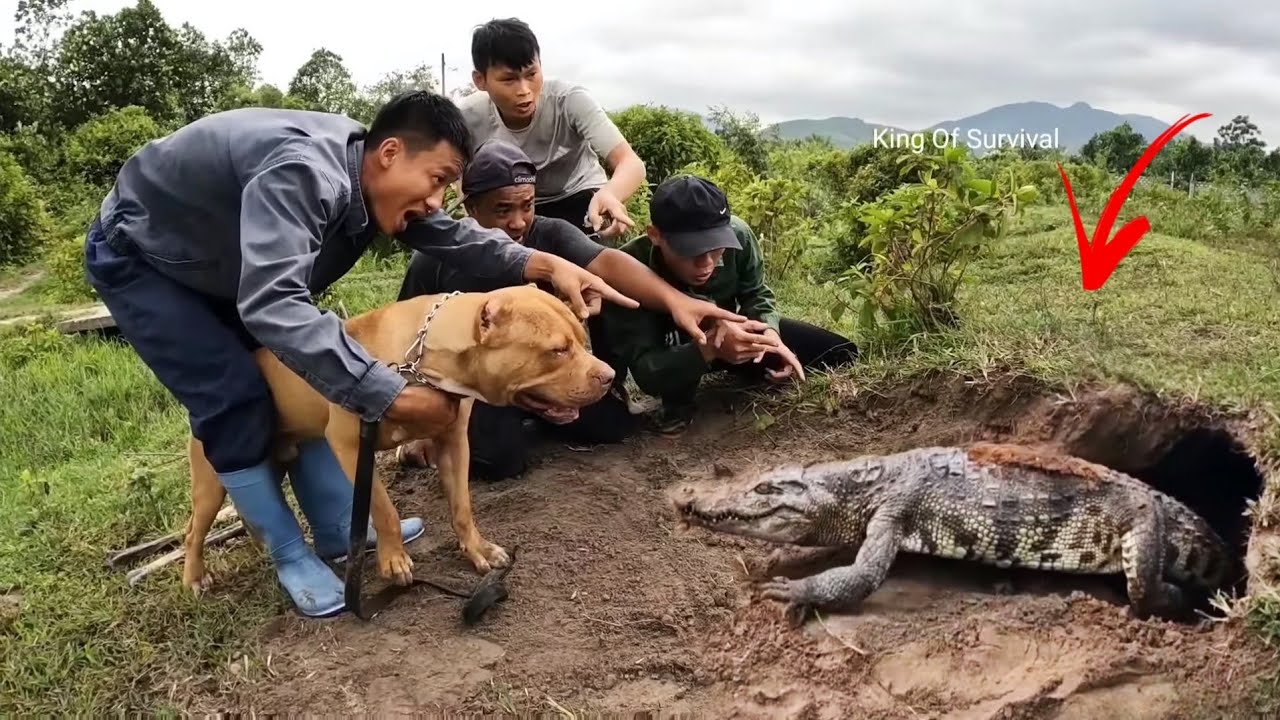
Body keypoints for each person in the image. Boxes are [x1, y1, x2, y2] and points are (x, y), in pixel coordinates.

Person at [82, 91, 637, 618]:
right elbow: (274, 304)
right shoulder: (305, 174)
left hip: (218, 260)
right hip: (143, 259)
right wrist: (389, 394)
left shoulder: (370, 171)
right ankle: (289, 553)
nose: (437, 201)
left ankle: (334, 524)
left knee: (303, 370)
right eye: (438, 180)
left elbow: (448, 235)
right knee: (231, 394)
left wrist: (542, 265)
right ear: (391, 153)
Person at [395, 139, 748, 479]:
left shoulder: (550, 236)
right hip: (479, 386)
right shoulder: (435, 258)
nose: (518, 222)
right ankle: (487, 426)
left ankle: (540, 410)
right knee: (501, 463)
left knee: (614, 427)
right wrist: (422, 424)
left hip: (545, 373)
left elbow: (607, 262)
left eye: (527, 205)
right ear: (471, 208)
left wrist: (678, 301)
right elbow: (405, 339)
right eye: (503, 210)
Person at [602, 174, 861, 436]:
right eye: (690, 250)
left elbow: (757, 294)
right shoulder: (625, 270)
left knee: (840, 352)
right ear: (656, 236)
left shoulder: (739, 236)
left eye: (716, 247)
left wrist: (771, 337)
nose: (706, 263)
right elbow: (648, 374)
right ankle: (678, 406)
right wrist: (709, 350)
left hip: (735, 333)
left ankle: (750, 370)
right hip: (677, 350)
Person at [457, 17, 646, 240]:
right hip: (515, 206)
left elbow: (631, 163)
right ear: (480, 80)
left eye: (531, 74)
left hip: (579, 195)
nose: (524, 90)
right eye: (509, 80)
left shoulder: (569, 101)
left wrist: (610, 195)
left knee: (587, 261)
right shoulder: (469, 116)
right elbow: (460, 180)